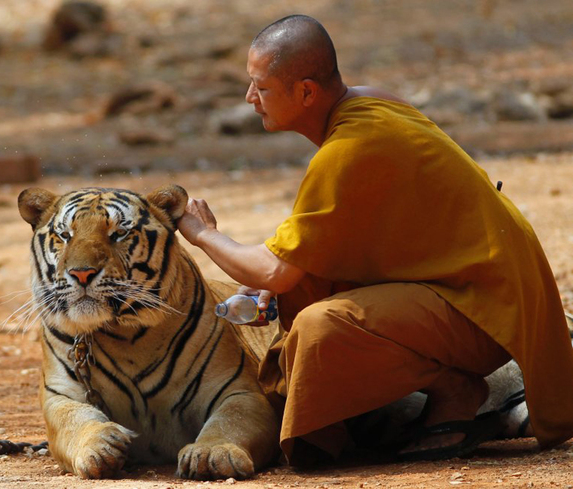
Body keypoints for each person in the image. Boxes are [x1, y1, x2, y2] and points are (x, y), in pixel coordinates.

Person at [177, 14, 573, 465]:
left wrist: (202, 234)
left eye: (261, 88)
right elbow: (330, 243)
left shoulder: (347, 151)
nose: (250, 99)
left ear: (306, 92)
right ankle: (424, 394)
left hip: (490, 307)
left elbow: (272, 269)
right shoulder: (369, 103)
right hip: (487, 285)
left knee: (317, 328)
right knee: (304, 285)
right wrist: (282, 282)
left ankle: (454, 390)